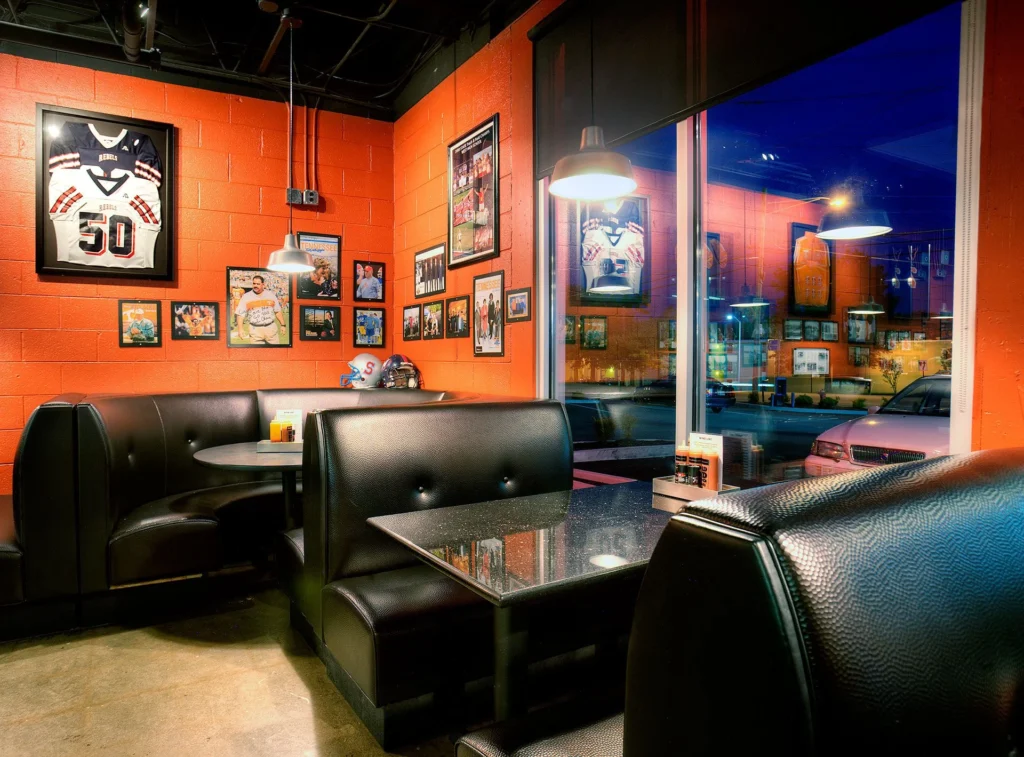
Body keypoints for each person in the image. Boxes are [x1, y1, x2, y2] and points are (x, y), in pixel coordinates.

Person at [234, 274, 286, 344]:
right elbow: (240, 314)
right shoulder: (246, 297)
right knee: (257, 353)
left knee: (275, 352)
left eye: (258, 284)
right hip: (255, 330)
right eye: (254, 283)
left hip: (270, 328)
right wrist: (240, 329)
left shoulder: (271, 295)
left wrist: (283, 325)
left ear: (263, 285)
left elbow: (277, 311)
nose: (255, 285)